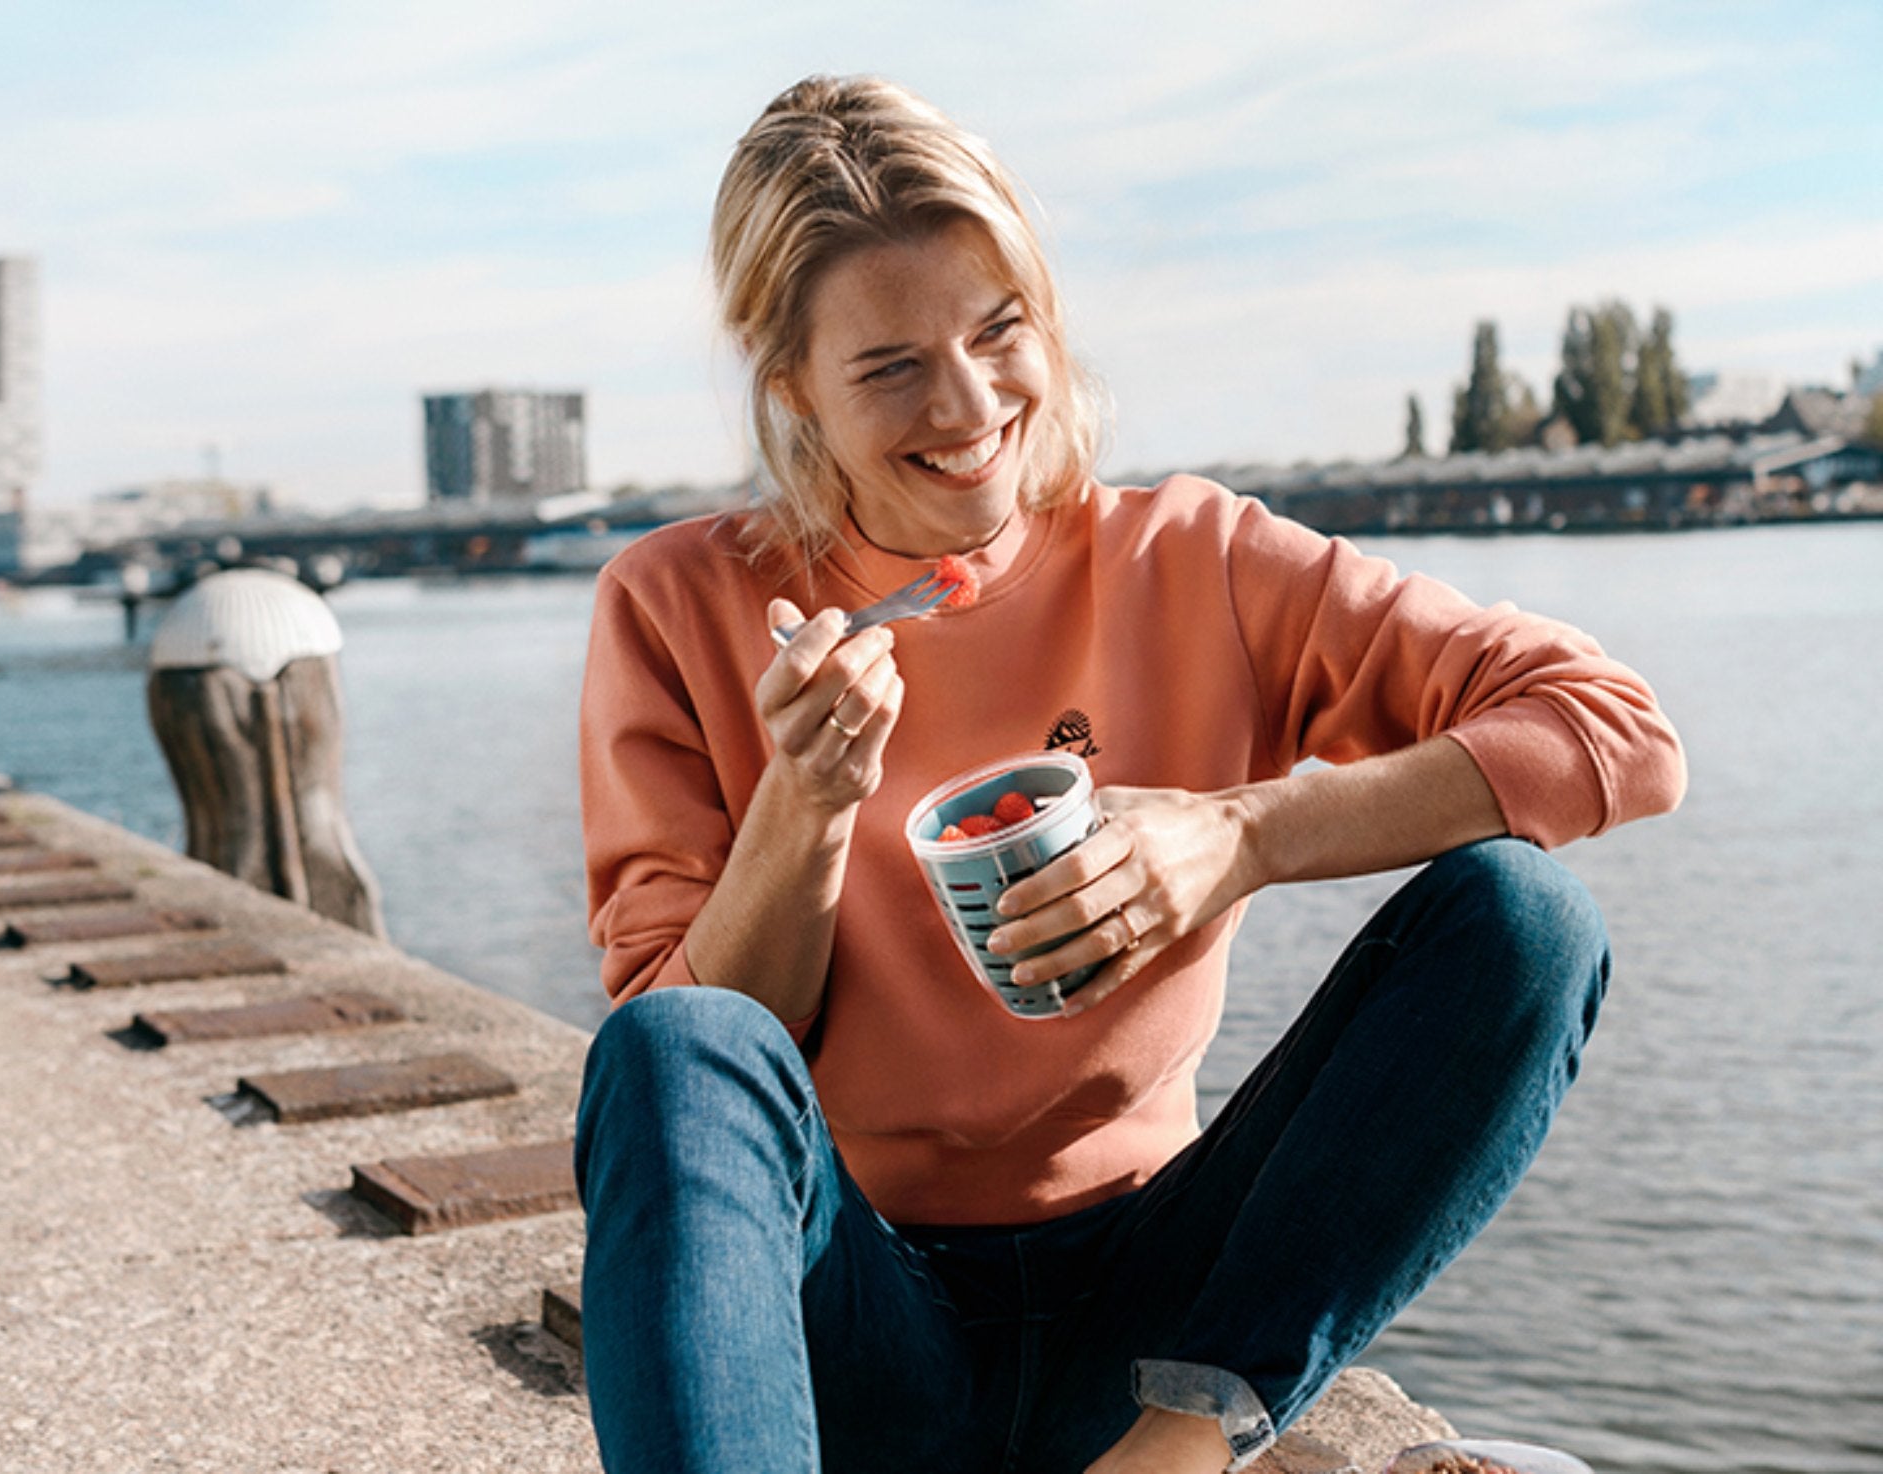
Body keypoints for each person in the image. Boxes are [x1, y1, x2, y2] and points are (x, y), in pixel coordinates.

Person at [573, 75, 1686, 1474]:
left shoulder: (1194, 561)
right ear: (789, 383)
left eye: (1000, 329)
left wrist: (1244, 834)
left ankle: (1175, 1451)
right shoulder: (675, 605)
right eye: (891, 366)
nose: (970, 403)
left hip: (1155, 1317)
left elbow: (1619, 732)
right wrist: (806, 801)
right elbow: (690, 1093)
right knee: (672, 1046)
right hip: (848, 1321)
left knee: (1526, 919)